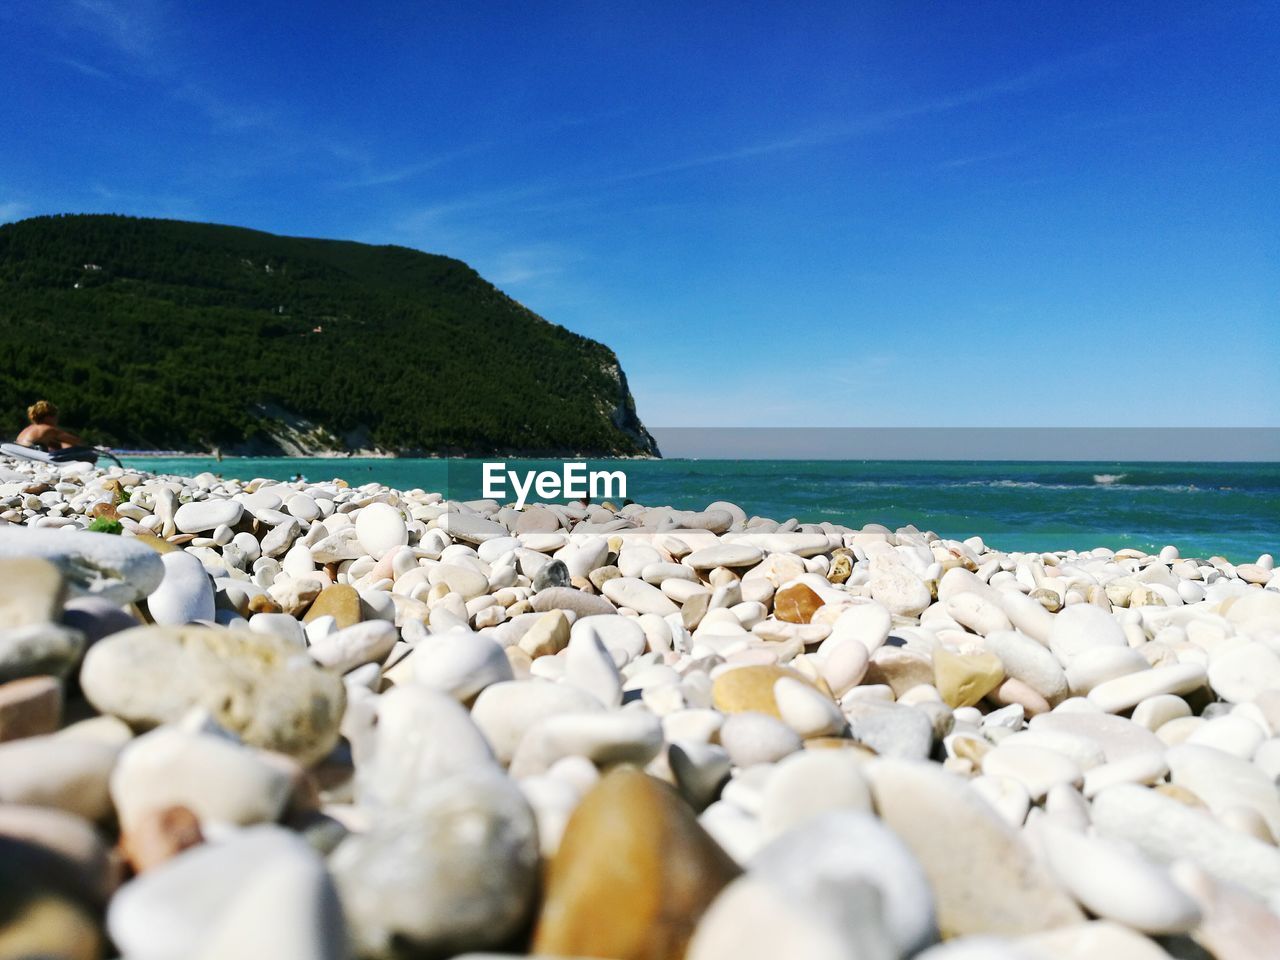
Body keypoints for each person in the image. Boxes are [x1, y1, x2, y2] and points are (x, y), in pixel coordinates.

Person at [16, 400, 86, 451]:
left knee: (55, 446)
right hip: (30, 451)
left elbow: (55, 445)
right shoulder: (48, 429)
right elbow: (78, 442)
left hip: (17, 449)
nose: (57, 419)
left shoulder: (29, 428)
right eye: (55, 416)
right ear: (48, 417)